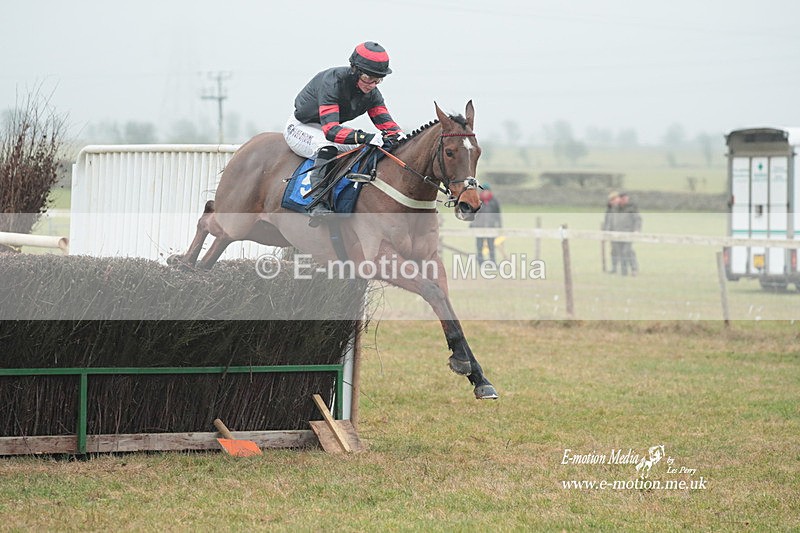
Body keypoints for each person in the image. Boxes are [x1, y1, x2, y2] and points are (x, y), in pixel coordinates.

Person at [284, 41, 404, 220]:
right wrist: (366, 136)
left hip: (328, 127)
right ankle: (316, 203)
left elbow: (387, 124)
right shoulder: (333, 83)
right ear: (355, 70)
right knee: (327, 146)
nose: (372, 84)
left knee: (370, 148)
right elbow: (331, 132)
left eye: (378, 79)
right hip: (301, 127)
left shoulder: (373, 94)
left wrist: (402, 138)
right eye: (368, 78)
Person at [470, 183, 502, 265]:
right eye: (483, 191)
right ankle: (481, 263)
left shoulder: (494, 201)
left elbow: (498, 214)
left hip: (491, 227)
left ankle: (493, 262)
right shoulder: (477, 200)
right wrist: (472, 224)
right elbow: (473, 214)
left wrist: (499, 226)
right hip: (479, 227)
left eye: (486, 191)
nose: (485, 193)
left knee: (491, 246)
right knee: (479, 246)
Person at [616, 191, 642, 276]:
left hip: (629, 233)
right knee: (620, 252)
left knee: (626, 251)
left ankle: (634, 269)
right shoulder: (616, 208)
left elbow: (638, 219)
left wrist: (636, 230)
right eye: (622, 199)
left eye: (626, 198)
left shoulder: (632, 208)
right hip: (618, 234)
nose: (625, 200)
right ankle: (624, 271)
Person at [602, 191, 621, 273]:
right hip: (612, 234)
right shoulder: (609, 210)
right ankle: (614, 268)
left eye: (615, 199)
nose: (613, 201)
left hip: (623, 233)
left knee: (627, 251)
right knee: (614, 251)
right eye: (612, 200)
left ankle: (633, 269)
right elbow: (607, 222)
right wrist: (605, 234)